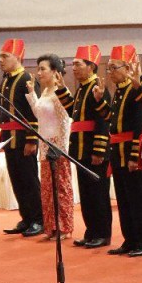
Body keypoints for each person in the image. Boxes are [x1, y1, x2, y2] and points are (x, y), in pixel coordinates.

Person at [0, 40, 44, 237]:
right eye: (0, 56)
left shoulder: (27, 78)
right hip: (10, 137)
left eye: (5, 56)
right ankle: (27, 218)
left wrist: (32, 140)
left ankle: (39, 219)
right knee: (17, 180)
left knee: (29, 180)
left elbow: (34, 111)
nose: (0, 60)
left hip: (24, 138)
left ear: (18, 57)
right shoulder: (7, 79)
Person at [95, 44, 142, 257]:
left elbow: (140, 126)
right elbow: (113, 120)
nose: (109, 72)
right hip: (117, 151)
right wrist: (99, 101)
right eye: (108, 68)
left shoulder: (135, 90)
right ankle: (130, 239)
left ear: (128, 68)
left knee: (138, 198)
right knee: (123, 199)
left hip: (131, 152)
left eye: (114, 68)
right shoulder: (119, 91)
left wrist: (134, 157)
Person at [50, 45, 112, 247]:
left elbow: (103, 122)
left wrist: (99, 150)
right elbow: (73, 113)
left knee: (98, 194)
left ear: (91, 66)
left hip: (93, 150)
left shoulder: (97, 89)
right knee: (86, 194)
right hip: (80, 149)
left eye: (78, 64)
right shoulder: (83, 87)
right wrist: (61, 89)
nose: (73, 68)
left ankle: (102, 234)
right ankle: (91, 231)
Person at [22, 53, 74, 240]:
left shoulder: (60, 91)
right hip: (45, 143)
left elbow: (65, 120)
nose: (39, 73)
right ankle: (51, 226)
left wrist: (61, 146)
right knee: (47, 188)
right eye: (38, 69)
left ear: (55, 71)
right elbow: (40, 115)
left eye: (43, 69)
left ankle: (64, 227)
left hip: (57, 145)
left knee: (61, 187)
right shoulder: (44, 91)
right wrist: (31, 94)